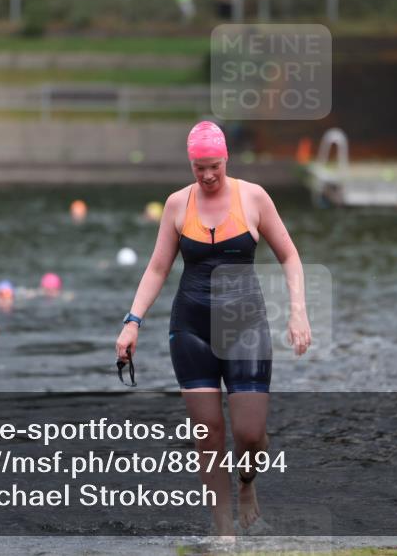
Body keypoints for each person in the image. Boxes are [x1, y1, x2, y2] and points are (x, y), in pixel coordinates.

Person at [116, 120, 312, 535]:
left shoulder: (254, 197)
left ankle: (247, 482)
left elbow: (290, 256)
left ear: (226, 159)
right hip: (190, 329)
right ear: (190, 163)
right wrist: (133, 321)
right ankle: (223, 529)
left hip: (246, 328)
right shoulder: (176, 204)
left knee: (250, 434)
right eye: (198, 167)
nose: (206, 176)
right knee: (207, 436)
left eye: (214, 167)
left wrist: (298, 312)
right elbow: (157, 267)